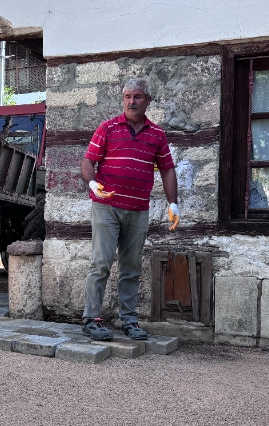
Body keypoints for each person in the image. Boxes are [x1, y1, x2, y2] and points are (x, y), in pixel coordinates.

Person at [80, 78, 180, 341]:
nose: (132, 102)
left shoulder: (157, 134)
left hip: (137, 209)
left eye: (137, 97)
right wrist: (93, 184)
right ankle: (91, 319)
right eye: (127, 97)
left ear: (147, 100)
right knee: (101, 262)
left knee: (132, 266)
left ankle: (129, 320)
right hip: (107, 206)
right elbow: (88, 161)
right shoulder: (108, 128)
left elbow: (168, 169)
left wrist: (173, 204)